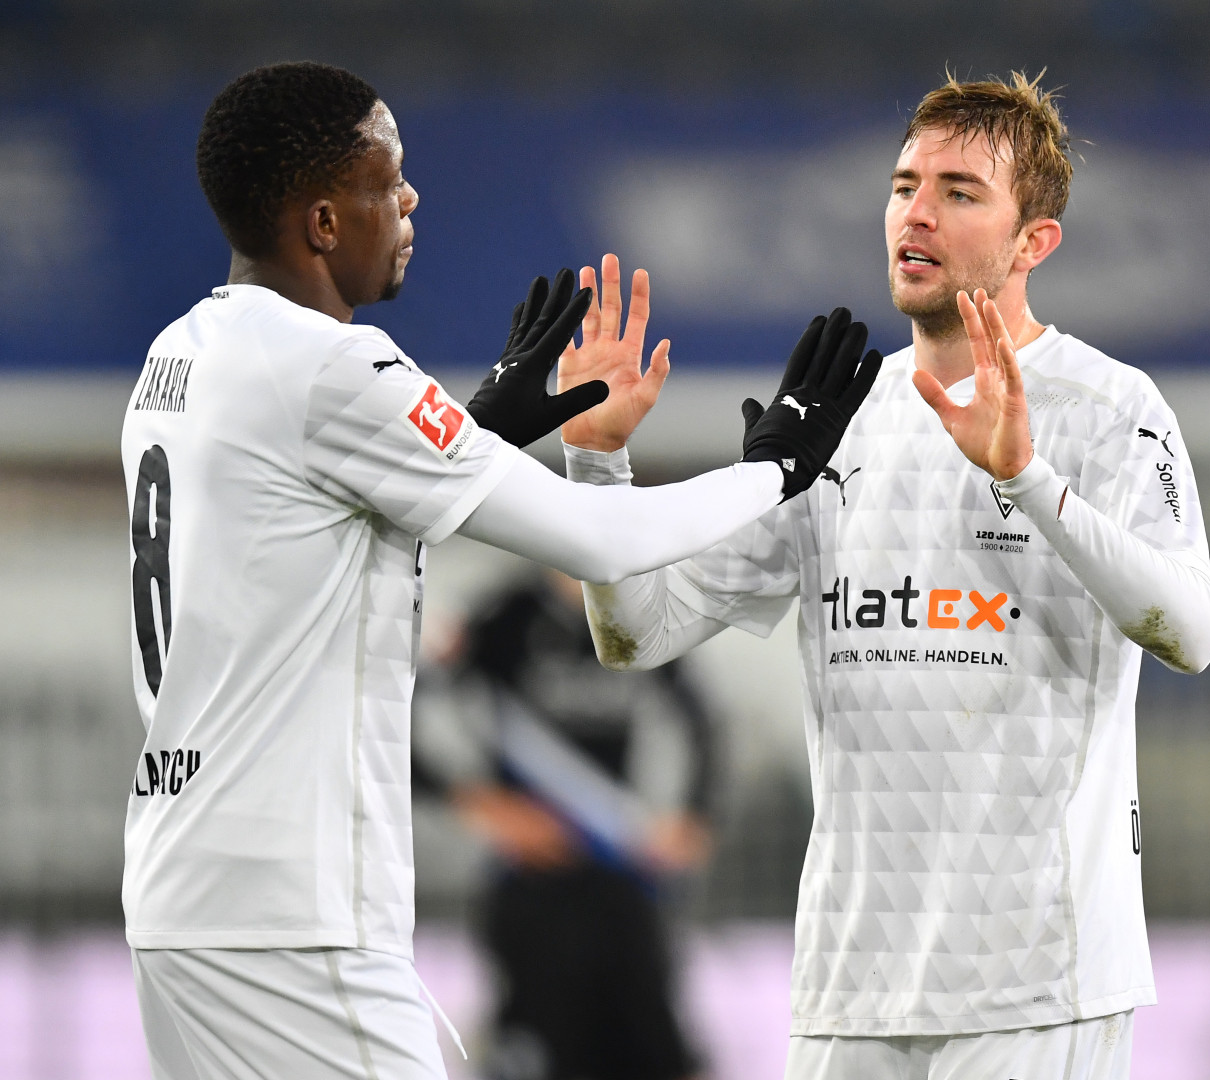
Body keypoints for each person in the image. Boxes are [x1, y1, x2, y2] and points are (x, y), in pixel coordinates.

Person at [123, 61, 875, 1079]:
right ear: (322, 222)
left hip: (184, 892)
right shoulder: (329, 366)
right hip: (290, 912)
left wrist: (475, 433)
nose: (408, 199)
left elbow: (312, 547)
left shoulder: (182, 352)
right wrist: (777, 466)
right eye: (385, 180)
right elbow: (600, 542)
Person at [556, 73, 1210, 1080]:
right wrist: (598, 465)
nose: (917, 211)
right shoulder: (832, 415)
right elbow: (634, 634)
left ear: (1033, 240)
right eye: (905, 183)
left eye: (960, 191)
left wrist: (1027, 479)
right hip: (848, 989)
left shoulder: (1108, 407)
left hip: (1038, 986)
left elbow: (1194, 634)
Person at [414, 569, 718, 1080]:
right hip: (531, 888)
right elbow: (404, 704)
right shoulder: (505, 616)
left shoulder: (635, 609)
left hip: (623, 885)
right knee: (542, 1055)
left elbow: (700, 718)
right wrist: (479, 803)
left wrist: (693, 816)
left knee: (654, 1054)